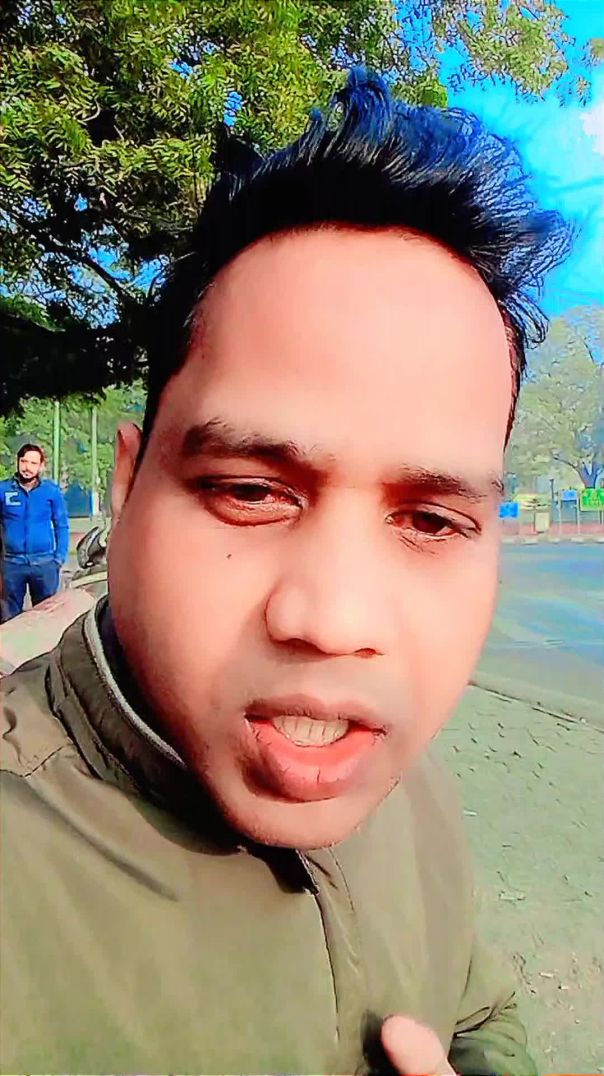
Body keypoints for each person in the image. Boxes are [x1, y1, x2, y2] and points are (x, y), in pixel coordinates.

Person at [0, 70, 571, 1075]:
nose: (335, 621)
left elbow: (477, 1006)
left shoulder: (408, 786)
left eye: (431, 519)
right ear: (128, 488)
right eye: (252, 491)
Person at [0, 442, 70, 619]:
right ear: (17, 462)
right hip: (12, 564)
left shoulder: (51, 491)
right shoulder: (4, 490)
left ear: (41, 466)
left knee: (45, 617)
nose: (27, 467)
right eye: (24, 461)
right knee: (9, 618)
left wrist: (59, 558)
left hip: (44, 564)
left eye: (33, 463)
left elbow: (61, 526)